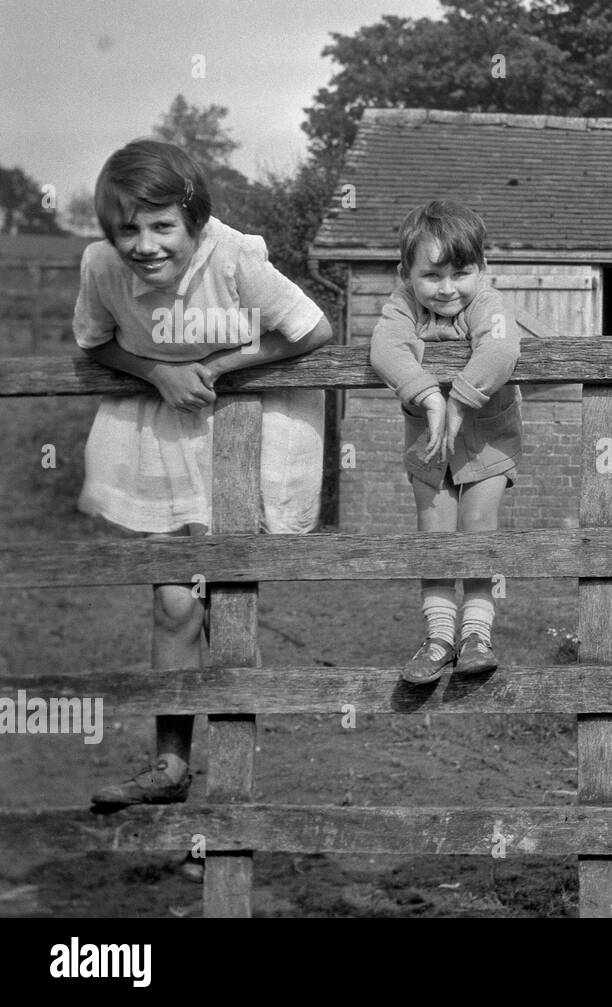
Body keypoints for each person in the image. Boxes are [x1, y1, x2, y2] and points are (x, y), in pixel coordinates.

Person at [79, 141, 332, 838]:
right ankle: (168, 767)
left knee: (227, 607)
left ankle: (231, 797)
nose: (144, 245)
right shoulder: (101, 267)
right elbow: (94, 341)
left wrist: (221, 363)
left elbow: (313, 329)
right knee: (170, 602)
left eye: (162, 226)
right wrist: (156, 371)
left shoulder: (235, 258)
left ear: (194, 219)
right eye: (127, 228)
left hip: (244, 429)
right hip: (163, 428)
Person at [369, 200, 522, 684]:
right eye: (432, 276)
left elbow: (500, 348)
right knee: (435, 539)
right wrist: (428, 399)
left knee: (478, 534)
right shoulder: (401, 307)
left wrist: (456, 401)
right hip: (428, 444)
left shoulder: (489, 303)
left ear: (483, 269)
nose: (448, 288)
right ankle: (438, 637)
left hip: (488, 442)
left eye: (462, 272)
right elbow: (386, 349)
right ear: (405, 274)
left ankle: (476, 635)